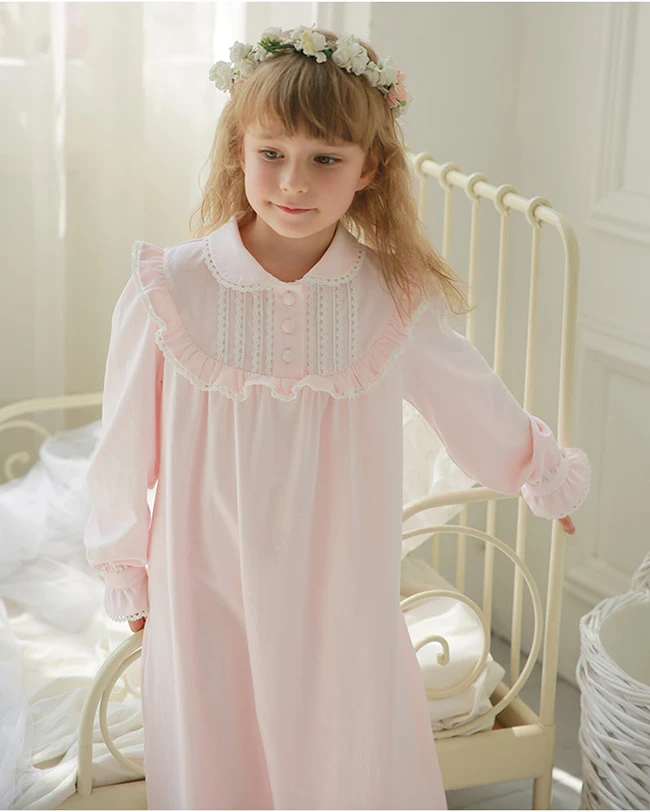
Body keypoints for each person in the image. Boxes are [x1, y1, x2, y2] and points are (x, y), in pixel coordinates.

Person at [83, 24, 590, 810]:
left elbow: (467, 392)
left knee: (344, 741)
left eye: (326, 159)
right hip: (204, 573)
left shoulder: (390, 294)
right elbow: (122, 447)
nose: (295, 182)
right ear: (238, 151)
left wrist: (538, 469)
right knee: (218, 740)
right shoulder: (171, 288)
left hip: (341, 576)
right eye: (272, 153)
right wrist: (128, 569)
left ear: (369, 168)